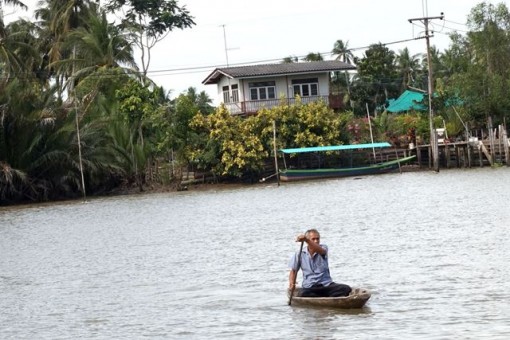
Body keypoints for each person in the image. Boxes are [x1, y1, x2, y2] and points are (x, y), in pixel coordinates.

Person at [288, 229, 351, 297]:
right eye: (313, 239)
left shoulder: (323, 248)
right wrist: (292, 283)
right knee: (304, 294)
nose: (316, 241)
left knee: (346, 288)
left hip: (326, 285)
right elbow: (294, 271)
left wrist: (306, 239)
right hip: (310, 287)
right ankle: (323, 297)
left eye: (318, 239)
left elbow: (320, 250)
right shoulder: (299, 254)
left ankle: (325, 297)